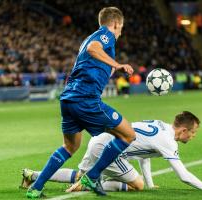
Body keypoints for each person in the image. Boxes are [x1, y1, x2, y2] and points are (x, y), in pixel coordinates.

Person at [26, 7, 136, 198]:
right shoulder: (105, 35)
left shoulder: (88, 39)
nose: (120, 33)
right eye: (121, 28)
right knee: (128, 135)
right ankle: (92, 176)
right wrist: (117, 64)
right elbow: (94, 49)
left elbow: (94, 62)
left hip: (69, 98)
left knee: (70, 147)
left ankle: (35, 187)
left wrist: (113, 69)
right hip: (86, 99)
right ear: (116, 24)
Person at [22, 111, 202, 192]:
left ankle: (33, 176)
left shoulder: (161, 127)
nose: (193, 136)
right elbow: (183, 175)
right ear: (183, 130)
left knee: (81, 175)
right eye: (192, 133)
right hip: (110, 148)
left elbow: (143, 156)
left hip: (99, 140)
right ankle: (87, 185)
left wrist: (150, 182)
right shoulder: (168, 141)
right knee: (135, 185)